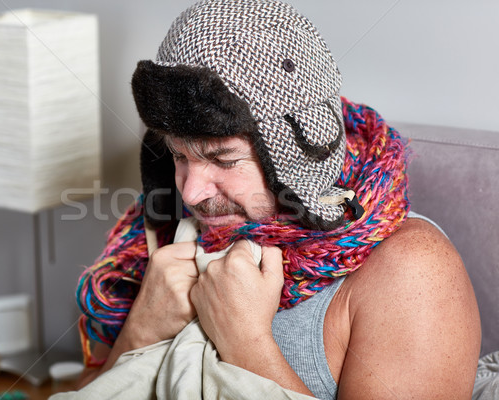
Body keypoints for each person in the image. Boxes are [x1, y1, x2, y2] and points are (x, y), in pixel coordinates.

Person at [74, 0, 481, 398]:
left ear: (299, 155)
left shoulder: (413, 270)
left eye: (224, 160)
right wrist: (139, 331)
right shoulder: (161, 242)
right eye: (179, 155)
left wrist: (247, 343)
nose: (191, 192)